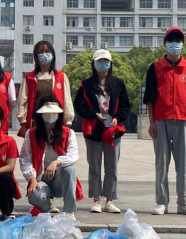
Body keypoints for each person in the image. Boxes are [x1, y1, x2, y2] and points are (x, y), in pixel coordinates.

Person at [144, 27, 186, 217]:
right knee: (161, 163)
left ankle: (184, 203)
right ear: (165, 43)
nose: (174, 44)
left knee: (183, 164)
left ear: (183, 44)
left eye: (178, 40)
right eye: (171, 40)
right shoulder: (155, 68)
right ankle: (161, 202)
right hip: (161, 120)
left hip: (184, 119)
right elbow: (149, 98)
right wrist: (152, 122)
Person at [74, 49, 130, 214]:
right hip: (94, 130)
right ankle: (96, 199)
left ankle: (110, 200)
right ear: (93, 63)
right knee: (94, 166)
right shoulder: (86, 85)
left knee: (112, 167)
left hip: (113, 130)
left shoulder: (118, 84)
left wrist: (117, 118)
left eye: (106, 61)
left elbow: (125, 106)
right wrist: (94, 114)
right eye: (99, 61)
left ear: (110, 64)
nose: (102, 64)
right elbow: (79, 106)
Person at [20, 96, 84, 219]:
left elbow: (73, 155)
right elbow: (25, 159)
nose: (50, 116)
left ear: (59, 114)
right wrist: (32, 178)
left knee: (69, 169)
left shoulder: (68, 133)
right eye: (46, 113)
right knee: (36, 197)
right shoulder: (31, 133)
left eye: (54, 113)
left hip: (60, 180)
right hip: (40, 179)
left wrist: (56, 162)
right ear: (40, 114)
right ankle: (45, 208)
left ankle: (69, 212)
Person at [17, 40, 74, 136]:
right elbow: (22, 101)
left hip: (57, 123)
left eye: (47, 51)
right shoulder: (29, 78)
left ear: (53, 55)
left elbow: (67, 100)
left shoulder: (61, 77)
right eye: (40, 52)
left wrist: (68, 122)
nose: (44, 54)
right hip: (36, 122)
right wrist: (23, 123)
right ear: (35, 56)